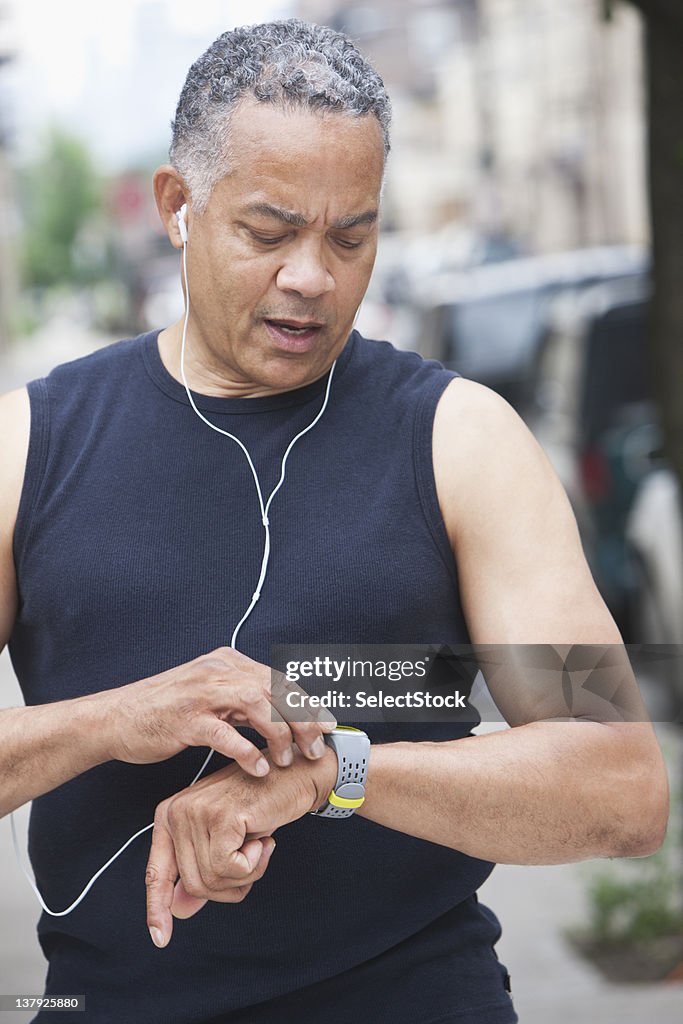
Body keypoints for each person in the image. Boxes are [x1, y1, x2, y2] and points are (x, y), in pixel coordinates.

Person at [0, 19, 668, 1024]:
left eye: (350, 235)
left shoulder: (460, 440)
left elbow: (618, 782)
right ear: (178, 206)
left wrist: (333, 773)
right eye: (269, 232)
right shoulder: (30, 444)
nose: (312, 275)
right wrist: (112, 720)